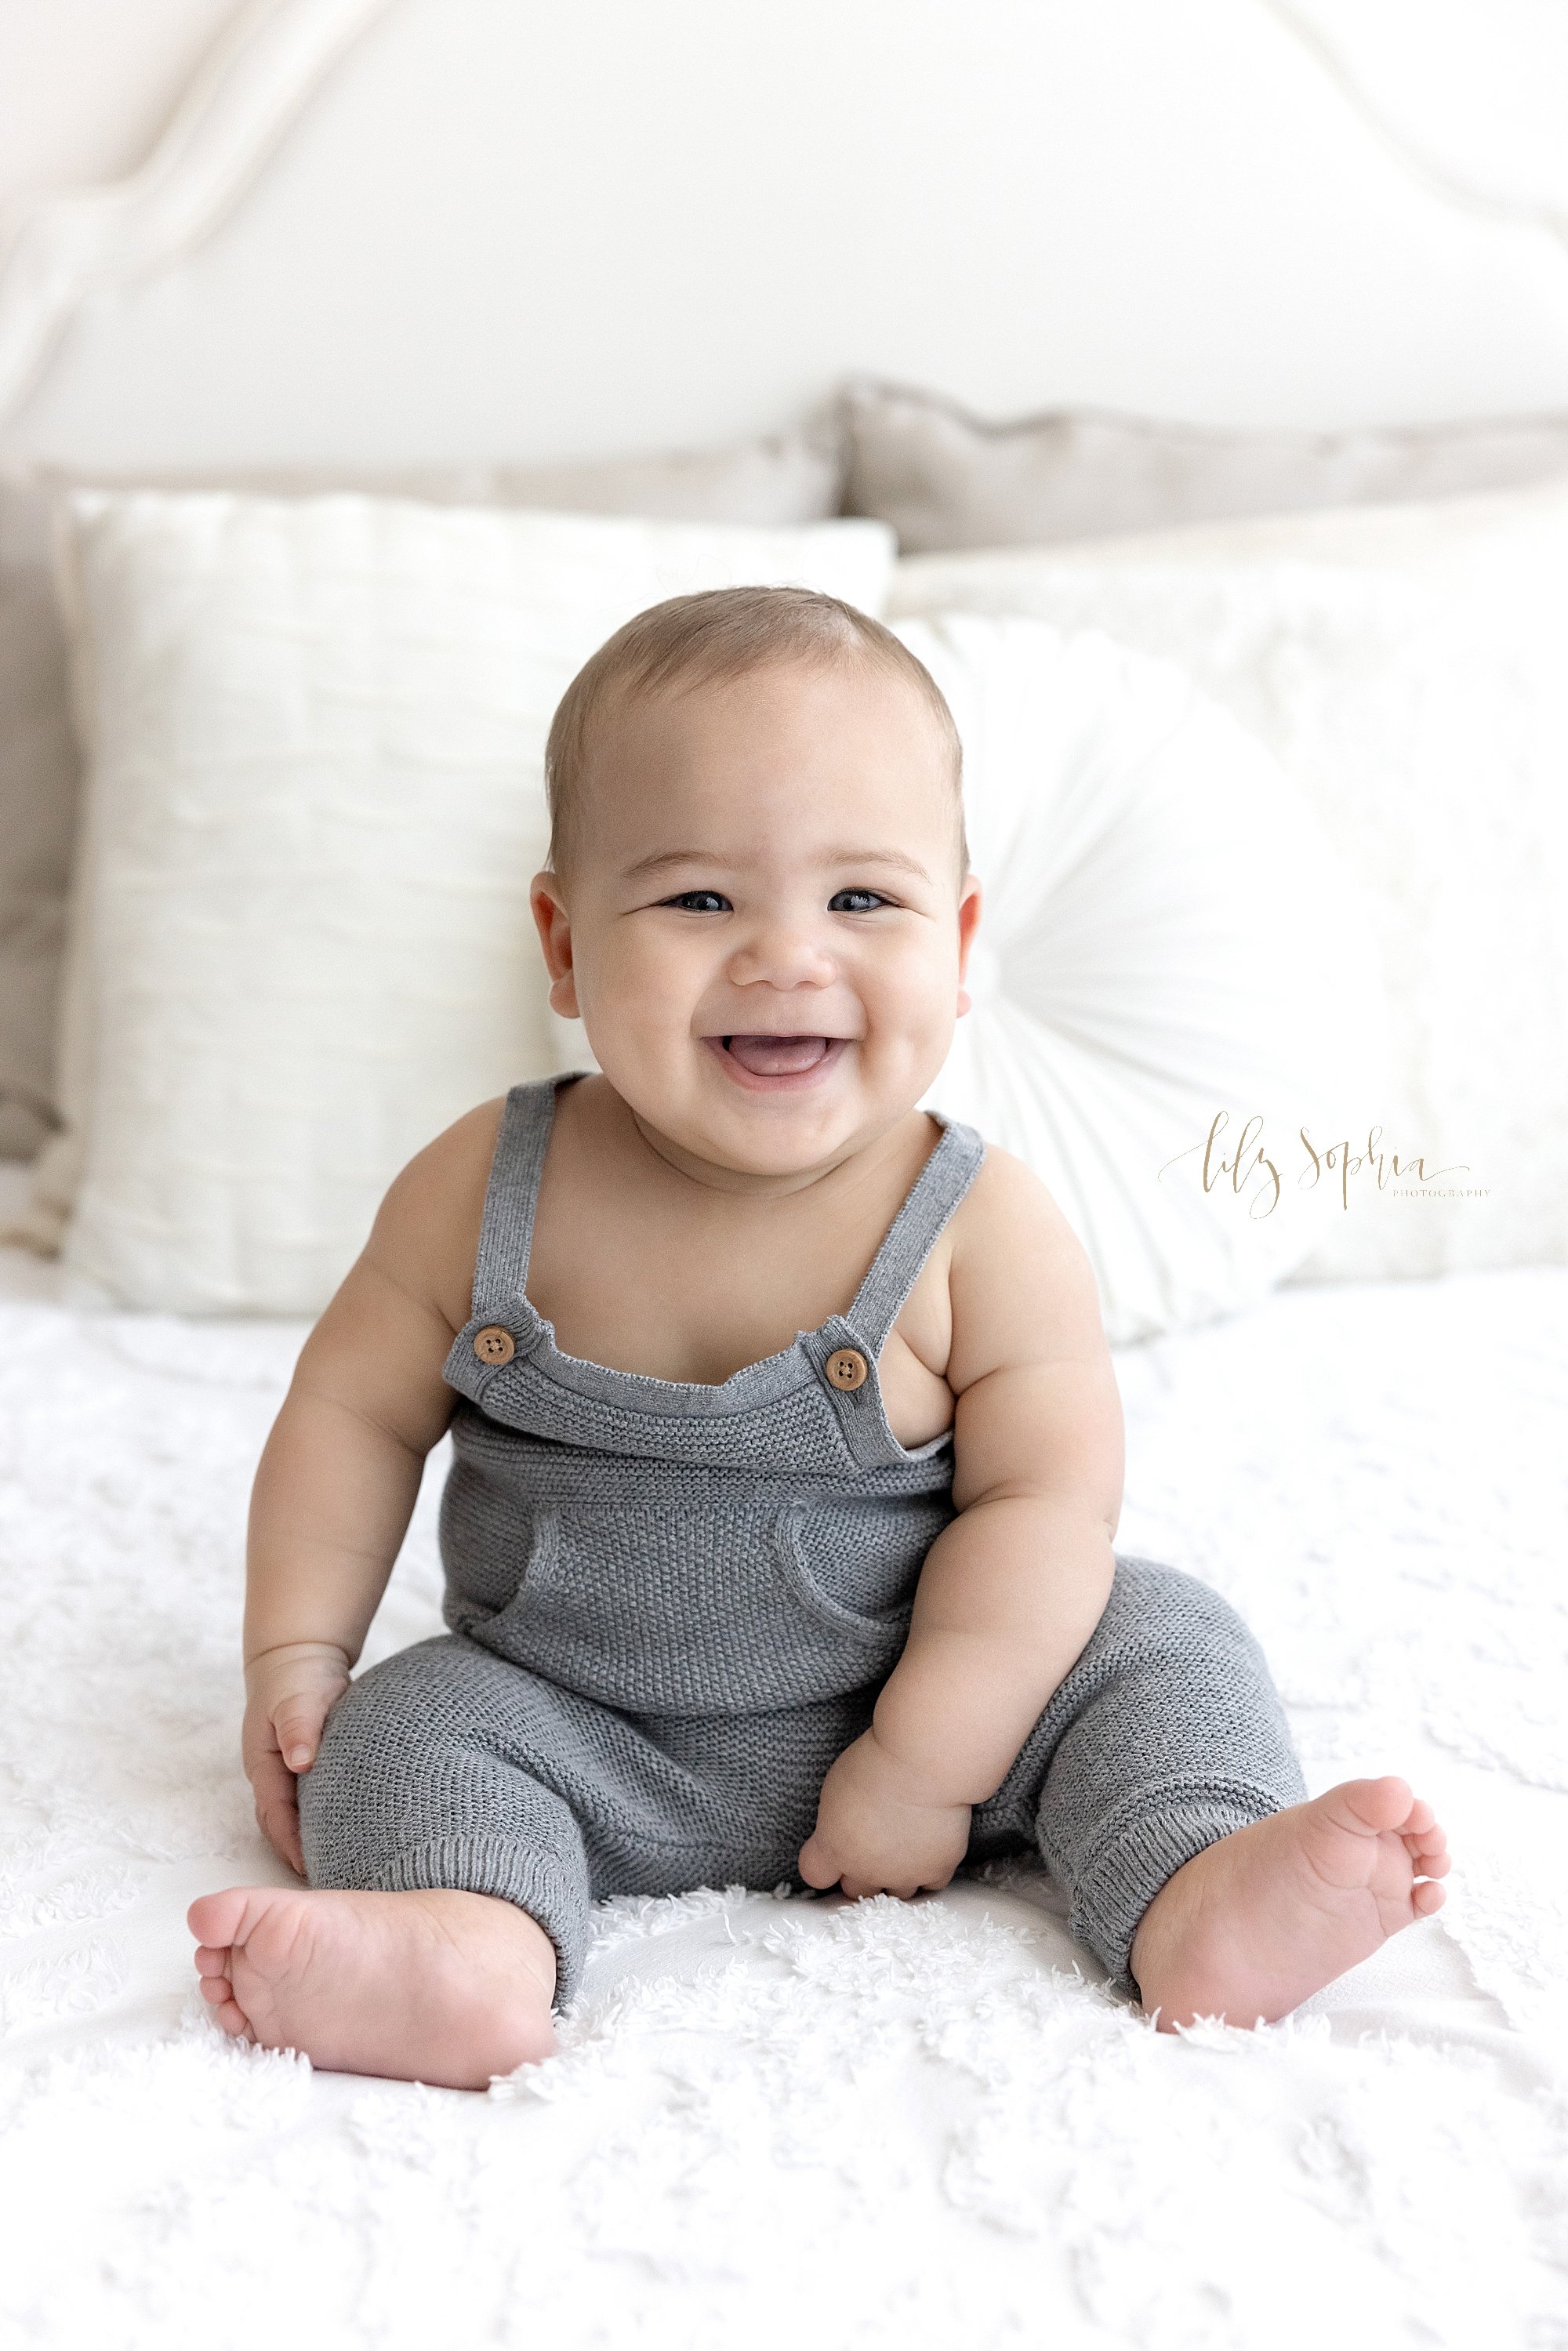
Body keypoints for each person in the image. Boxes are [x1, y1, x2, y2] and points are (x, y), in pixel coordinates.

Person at [188, 586, 1449, 2089]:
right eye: (699, 900)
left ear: (961, 937)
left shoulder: (981, 1226)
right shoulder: (483, 1185)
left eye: (862, 901)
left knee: (1161, 1638)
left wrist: (926, 1766)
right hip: (574, 1722)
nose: (787, 956)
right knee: (399, 1734)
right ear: (566, 942)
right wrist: (298, 1652)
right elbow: (350, 1415)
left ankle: (1198, 1889)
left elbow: (1044, 1507)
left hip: (943, 1707)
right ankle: (469, 1945)